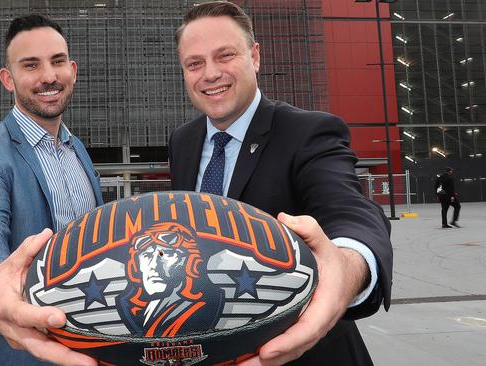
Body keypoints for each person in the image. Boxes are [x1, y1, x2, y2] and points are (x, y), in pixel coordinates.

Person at [168, 2, 393, 365]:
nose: (210, 74)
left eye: (225, 56)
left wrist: (345, 266)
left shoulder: (308, 132)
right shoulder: (183, 142)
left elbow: (350, 211)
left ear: (254, 57)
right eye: (194, 64)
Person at [0, 14, 103, 365]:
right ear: (9, 78)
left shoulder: (77, 149)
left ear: (73, 70)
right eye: (31, 65)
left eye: (58, 62)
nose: (49, 76)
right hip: (21, 353)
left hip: (90, 347)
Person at [116, 222, 224, 336]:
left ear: (188, 261)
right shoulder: (143, 309)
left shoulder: (198, 308)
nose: (154, 265)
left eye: (165, 254)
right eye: (146, 256)